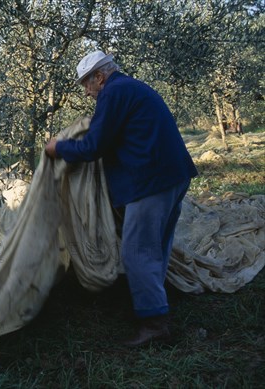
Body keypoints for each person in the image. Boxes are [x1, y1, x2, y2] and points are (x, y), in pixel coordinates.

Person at [45, 50, 198, 347]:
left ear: (99, 77)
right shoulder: (132, 87)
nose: (88, 93)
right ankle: (155, 303)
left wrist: (58, 148)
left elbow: (94, 146)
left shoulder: (113, 93)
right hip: (173, 176)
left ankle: (155, 325)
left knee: (136, 252)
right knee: (156, 246)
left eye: (87, 85)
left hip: (150, 182)